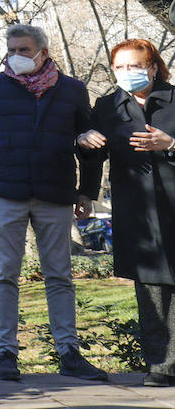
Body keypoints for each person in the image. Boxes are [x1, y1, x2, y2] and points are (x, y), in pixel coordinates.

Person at [0, 23, 106, 382]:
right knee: (5, 274)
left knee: (59, 274)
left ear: (43, 51)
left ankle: (68, 352)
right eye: (11, 50)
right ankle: (6, 352)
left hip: (55, 192)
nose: (16, 56)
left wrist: (87, 191)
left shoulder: (72, 90)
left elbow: (88, 143)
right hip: (5, 193)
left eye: (23, 50)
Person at [78, 39, 175, 386]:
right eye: (119, 67)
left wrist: (172, 144)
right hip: (138, 212)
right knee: (150, 289)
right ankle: (161, 367)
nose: (127, 73)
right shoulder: (108, 106)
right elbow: (93, 155)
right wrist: (84, 141)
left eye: (134, 66)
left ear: (152, 66)